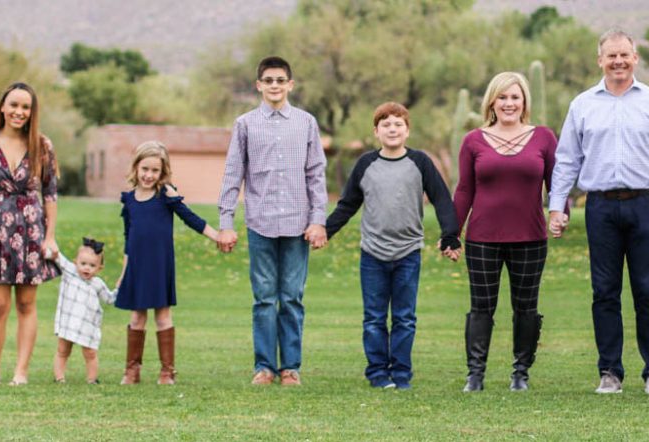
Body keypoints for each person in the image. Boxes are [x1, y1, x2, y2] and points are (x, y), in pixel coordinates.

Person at [549, 29, 649, 394]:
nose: (618, 61)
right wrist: (557, 207)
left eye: (624, 54)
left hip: (644, 204)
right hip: (600, 207)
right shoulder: (582, 105)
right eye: (611, 55)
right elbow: (566, 160)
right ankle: (609, 371)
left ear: (635, 58)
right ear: (600, 60)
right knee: (604, 291)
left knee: (648, 291)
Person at [325, 102, 460, 390]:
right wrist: (325, 232)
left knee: (404, 318)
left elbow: (441, 199)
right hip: (372, 254)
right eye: (385, 124)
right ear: (376, 131)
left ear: (407, 130)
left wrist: (450, 235)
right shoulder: (366, 164)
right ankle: (377, 373)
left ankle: (400, 374)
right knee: (374, 318)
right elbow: (348, 204)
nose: (392, 129)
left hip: (408, 253)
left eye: (398, 124)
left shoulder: (420, 162)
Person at [217, 56, 329, 386]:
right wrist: (226, 222)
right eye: (269, 80)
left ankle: (290, 367)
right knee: (265, 298)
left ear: (290, 84)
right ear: (259, 85)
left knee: (292, 297)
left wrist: (318, 220)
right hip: (260, 223)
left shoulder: (306, 122)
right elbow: (233, 174)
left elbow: (316, 174)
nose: (275, 85)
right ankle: (264, 367)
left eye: (281, 80)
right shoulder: (245, 124)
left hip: (298, 224)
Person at [453, 72, 562, 392]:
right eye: (502, 97)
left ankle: (520, 373)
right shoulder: (473, 140)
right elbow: (464, 190)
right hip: (482, 239)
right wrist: (451, 233)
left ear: (525, 102)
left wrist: (561, 213)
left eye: (515, 97)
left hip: (530, 238)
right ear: (492, 102)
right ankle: (475, 374)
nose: (509, 103)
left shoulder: (544, 137)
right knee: (481, 306)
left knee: (526, 307)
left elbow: (557, 183)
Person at [0, 82, 60, 385]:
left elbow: (50, 195)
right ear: (3, 107)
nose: (19, 111)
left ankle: (21, 372)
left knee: (26, 304)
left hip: (32, 231)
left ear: (32, 112)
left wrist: (50, 237)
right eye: (14, 105)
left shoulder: (42, 145)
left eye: (26, 107)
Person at [116, 141, 221, 385]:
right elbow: (128, 238)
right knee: (137, 318)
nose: (149, 175)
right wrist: (123, 272)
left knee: (163, 316)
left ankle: (167, 371)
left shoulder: (167, 196)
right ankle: (132, 370)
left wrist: (216, 236)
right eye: (145, 169)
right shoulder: (129, 200)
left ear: (162, 172)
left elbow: (190, 218)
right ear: (136, 167)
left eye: (155, 170)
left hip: (159, 266)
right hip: (137, 267)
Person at [49, 237, 116, 384]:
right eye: (83, 263)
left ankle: (92, 379)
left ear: (99, 268)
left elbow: (110, 299)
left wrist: (120, 288)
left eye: (92, 265)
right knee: (63, 350)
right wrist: (50, 247)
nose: (87, 268)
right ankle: (59, 378)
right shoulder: (70, 271)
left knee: (90, 353)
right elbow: (57, 256)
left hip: (87, 325)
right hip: (68, 322)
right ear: (75, 262)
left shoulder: (98, 284)